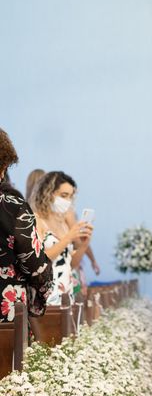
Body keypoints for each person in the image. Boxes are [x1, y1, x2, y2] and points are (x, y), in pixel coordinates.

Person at [0, 129, 53, 322]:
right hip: (5, 310)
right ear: (4, 166)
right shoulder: (12, 206)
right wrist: (42, 294)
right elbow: (35, 266)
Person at [31, 172, 93, 305]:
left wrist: (83, 245)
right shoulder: (37, 220)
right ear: (47, 193)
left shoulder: (63, 223)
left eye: (70, 197)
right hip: (47, 292)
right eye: (63, 195)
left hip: (66, 290)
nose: (67, 201)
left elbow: (70, 264)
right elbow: (39, 261)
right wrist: (68, 238)